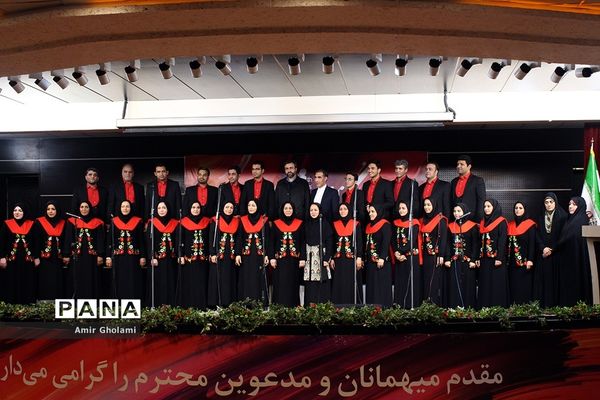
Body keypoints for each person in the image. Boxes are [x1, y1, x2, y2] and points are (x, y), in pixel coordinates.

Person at [62, 201, 105, 299]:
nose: (84, 209)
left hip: (92, 257)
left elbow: (100, 240)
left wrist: (100, 254)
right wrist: (66, 254)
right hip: (77, 257)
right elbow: (68, 238)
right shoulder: (72, 221)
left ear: (90, 209)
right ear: (79, 208)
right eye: (82, 207)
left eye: (86, 207)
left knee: (91, 278)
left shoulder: (97, 222)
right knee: (77, 278)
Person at [105, 200, 146, 300]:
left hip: (133, 258)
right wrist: (108, 256)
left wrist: (143, 256)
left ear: (131, 208)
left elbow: (141, 240)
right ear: (119, 208)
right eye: (123, 206)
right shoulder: (114, 221)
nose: (125, 208)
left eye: (127, 206)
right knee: (119, 280)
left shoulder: (137, 222)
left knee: (132, 280)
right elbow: (109, 240)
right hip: (118, 258)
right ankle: (118, 303)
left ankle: (133, 302)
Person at [555, 196, 592, 306]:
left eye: (574, 204)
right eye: (570, 204)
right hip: (568, 258)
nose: (570, 206)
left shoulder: (582, 219)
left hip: (577, 258)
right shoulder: (569, 219)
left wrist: (555, 247)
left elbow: (569, 237)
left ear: (580, 206)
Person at [534, 192, 567, 307]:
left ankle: (555, 306)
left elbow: (563, 236)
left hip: (557, 254)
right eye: (546, 202)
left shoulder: (563, 216)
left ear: (555, 202)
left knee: (555, 280)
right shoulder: (540, 216)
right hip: (543, 254)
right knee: (544, 280)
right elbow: (537, 235)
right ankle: (544, 305)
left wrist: (552, 249)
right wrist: (543, 248)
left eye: (551, 202)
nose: (548, 204)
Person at [269, 202, 304, 307]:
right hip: (280, 261)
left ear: (293, 210)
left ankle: (294, 308)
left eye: (290, 208)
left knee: (293, 283)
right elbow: (271, 241)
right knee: (280, 283)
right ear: (282, 210)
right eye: (286, 208)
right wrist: (271, 258)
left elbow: (302, 242)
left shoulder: (300, 223)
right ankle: (278, 307)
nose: (288, 210)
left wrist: (303, 258)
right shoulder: (276, 224)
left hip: (294, 261)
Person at [0, 203, 36, 304]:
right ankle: (10, 305)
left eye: (20, 210)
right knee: (11, 281)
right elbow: (1, 242)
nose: (17, 212)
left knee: (26, 281)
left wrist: (37, 257)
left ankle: (27, 305)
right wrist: (1, 257)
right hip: (11, 261)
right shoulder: (7, 224)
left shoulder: (32, 224)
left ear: (24, 212)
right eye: (15, 210)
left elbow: (36, 241)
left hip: (27, 261)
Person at [236, 199, 270, 303]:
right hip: (246, 255)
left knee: (258, 278)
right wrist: (238, 254)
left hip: (259, 255)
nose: (251, 207)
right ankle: (246, 303)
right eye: (249, 205)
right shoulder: (243, 220)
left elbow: (268, 239)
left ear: (258, 207)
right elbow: (239, 238)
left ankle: (259, 302)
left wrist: (267, 255)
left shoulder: (264, 220)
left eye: (253, 205)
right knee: (247, 278)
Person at [178, 201, 211, 308]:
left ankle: (202, 306)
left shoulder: (206, 222)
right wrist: (180, 255)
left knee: (202, 282)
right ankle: (189, 306)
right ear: (189, 209)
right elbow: (180, 240)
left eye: (198, 207)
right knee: (190, 283)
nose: (196, 209)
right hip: (189, 260)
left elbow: (209, 239)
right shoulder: (183, 222)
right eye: (193, 207)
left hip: (202, 260)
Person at [444, 203, 478, 308]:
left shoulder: (472, 226)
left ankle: (468, 308)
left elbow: (475, 244)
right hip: (454, 261)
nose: (456, 213)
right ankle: (454, 308)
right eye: (454, 211)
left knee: (467, 285)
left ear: (464, 212)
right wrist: (447, 258)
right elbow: (447, 244)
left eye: (459, 211)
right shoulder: (451, 226)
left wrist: (473, 259)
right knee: (455, 284)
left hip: (468, 262)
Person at [476, 199, 508, 308]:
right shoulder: (483, 222)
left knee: (495, 284)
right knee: (485, 283)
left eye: (489, 206)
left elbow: (502, 240)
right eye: (485, 206)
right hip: (484, 260)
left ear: (494, 207)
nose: (486, 208)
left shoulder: (501, 221)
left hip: (496, 259)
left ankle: (497, 308)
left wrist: (499, 258)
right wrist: (478, 258)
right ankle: (485, 308)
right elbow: (479, 242)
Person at [146, 201, 179, 306]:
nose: (161, 210)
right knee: (158, 282)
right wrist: (151, 256)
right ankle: (157, 305)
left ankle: (170, 305)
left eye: (164, 208)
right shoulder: (152, 223)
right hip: (157, 260)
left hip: (171, 260)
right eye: (159, 208)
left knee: (170, 281)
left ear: (168, 209)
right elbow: (149, 242)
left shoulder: (175, 223)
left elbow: (177, 241)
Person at [331, 203, 363, 304]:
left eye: (345, 209)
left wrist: (359, 257)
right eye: (340, 209)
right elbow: (332, 242)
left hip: (351, 260)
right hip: (339, 260)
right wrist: (331, 258)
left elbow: (359, 242)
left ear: (349, 210)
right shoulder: (335, 224)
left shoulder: (355, 224)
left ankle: (352, 306)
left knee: (350, 283)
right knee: (339, 283)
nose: (342, 211)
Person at [33, 201, 67, 300]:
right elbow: (36, 241)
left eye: (53, 209)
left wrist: (66, 255)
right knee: (45, 279)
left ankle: (57, 301)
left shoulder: (63, 223)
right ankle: (44, 301)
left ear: (57, 210)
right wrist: (36, 257)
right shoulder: (39, 222)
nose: (50, 211)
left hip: (58, 257)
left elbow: (65, 240)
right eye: (48, 209)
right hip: (44, 258)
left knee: (57, 279)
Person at [208, 201, 240, 307]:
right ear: (222, 208)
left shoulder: (236, 221)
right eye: (227, 207)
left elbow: (238, 239)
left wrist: (238, 254)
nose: (229, 209)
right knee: (216, 278)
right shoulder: (216, 221)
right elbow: (211, 238)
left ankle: (228, 303)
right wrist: (212, 253)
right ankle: (214, 303)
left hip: (230, 257)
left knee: (229, 279)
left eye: (231, 207)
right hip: (218, 256)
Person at [392, 200, 421, 308]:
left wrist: (401, 252)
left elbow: (411, 241)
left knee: (410, 283)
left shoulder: (414, 223)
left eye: (403, 208)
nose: (401, 210)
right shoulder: (395, 223)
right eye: (399, 208)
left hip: (410, 257)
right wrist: (396, 252)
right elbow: (393, 240)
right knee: (400, 283)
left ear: (409, 209)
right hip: (399, 258)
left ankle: (411, 306)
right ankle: (399, 307)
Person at [303, 202, 333, 304]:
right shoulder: (306, 224)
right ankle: (310, 306)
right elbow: (302, 241)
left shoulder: (324, 224)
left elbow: (329, 242)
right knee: (310, 283)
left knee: (322, 281)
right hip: (309, 256)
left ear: (320, 211)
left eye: (315, 210)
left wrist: (326, 258)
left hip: (321, 256)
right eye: (311, 210)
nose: (313, 212)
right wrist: (303, 258)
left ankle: (322, 307)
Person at [507, 201, 537, 304]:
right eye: (516, 208)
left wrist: (530, 259)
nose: (518, 210)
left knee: (523, 285)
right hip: (511, 262)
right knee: (513, 284)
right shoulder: (510, 225)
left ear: (525, 210)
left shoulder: (530, 225)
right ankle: (513, 306)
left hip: (524, 262)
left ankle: (524, 307)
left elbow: (532, 243)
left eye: (520, 208)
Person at [420, 197, 447, 306]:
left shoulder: (440, 220)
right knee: (425, 280)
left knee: (434, 280)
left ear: (434, 205)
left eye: (429, 205)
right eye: (425, 205)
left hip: (436, 256)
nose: (426, 207)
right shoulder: (423, 220)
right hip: (425, 256)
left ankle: (435, 305)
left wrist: (441, 254)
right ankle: (426, 305)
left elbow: (443, 238)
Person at [364, 204, 392, 307]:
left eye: (373, 211)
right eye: (370, 212)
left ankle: (383, 309)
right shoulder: (368, 226)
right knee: (372, 286)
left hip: (381, 262)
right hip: (370, 263)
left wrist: (382, 258)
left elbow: (386, 242)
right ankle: (371, 309)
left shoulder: (385, 224)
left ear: (379, 212)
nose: (370, 214)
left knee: (381, 287)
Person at [450, 155, 486, 222]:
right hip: (455, 219)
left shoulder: (477, 180)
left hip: (472, 220)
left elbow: (481, 201)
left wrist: (479, 219)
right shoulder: (453, 181)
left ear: (469, 166)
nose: (458, 166)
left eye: (462, 164)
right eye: (457, 164)